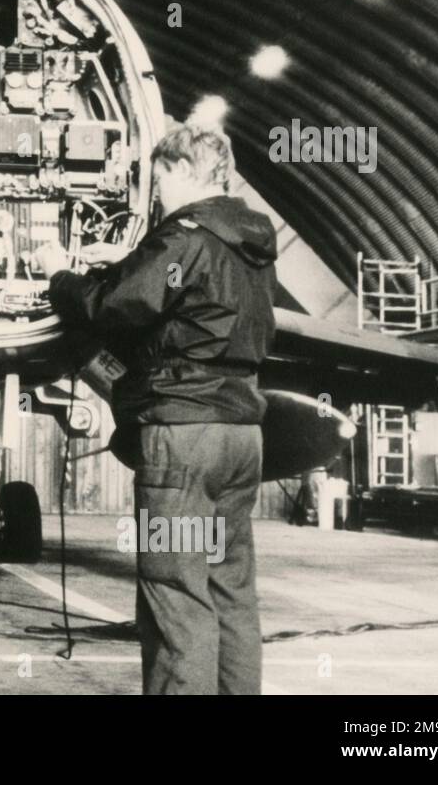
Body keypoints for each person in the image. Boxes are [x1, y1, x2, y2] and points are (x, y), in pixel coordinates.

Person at [34, 124, 278, 695]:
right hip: (242, 435)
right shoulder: (250, 242)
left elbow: (111, 308)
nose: (158, 191)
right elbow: (195, 288)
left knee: (175, 595)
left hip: (183, 438)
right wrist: (131, 256)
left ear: (187, 172)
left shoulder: (184, 236)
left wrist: (58, 275)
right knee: (230, 591)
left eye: (162, 176)